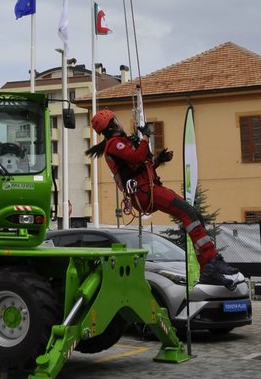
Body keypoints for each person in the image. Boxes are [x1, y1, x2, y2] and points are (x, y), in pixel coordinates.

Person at [87, 109, 242, 288]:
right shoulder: (115, 144)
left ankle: (208, 268)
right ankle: (211, 263)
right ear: (112, 123)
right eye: (116, 119)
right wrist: (145, 137)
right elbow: (137, 158)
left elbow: (141, 167)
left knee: (194, 216)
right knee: (187, 212)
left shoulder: (119, 143)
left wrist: (159, 160)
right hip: (145, 192)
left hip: (150, 189)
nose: (120, 121)